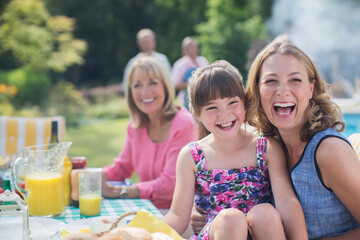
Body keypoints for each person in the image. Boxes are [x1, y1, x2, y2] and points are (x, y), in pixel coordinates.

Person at [162, 60, 307, 239]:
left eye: (232, 102)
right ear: (195, 112)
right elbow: (177, 216)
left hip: (262, 231)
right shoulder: (192, 156)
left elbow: (286, 202)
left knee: (265, 213)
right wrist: (146, 233)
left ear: (244, 103)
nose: (225, 114)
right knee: (231, 219)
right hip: (219, 233)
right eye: (212, 107)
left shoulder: (265, 148)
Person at [245, 39, 360, 239]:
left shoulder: (329, 151)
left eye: (295, 80)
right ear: (258, 90)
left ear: (311, 89)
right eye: (271, 81)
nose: (282, 91)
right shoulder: (264, 147)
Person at [102, 56, 197, 212]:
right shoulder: (135, 127)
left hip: (182, 216)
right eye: (137, 85)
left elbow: (171, 185)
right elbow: (121, 169)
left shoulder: (183, 124)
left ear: (166, 86)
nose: (145, 92)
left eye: (153, 83)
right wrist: (92, 177)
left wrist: (124, 191)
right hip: (148, 209)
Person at [171, 37, 208, 110]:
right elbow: (175, 85)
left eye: (195, 47)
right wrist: (193, 83)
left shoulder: (203, 61)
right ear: (184, 50)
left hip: (204, 96)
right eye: (191, 48)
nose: (195, 50)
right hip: (186, 100)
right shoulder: (179, 65)